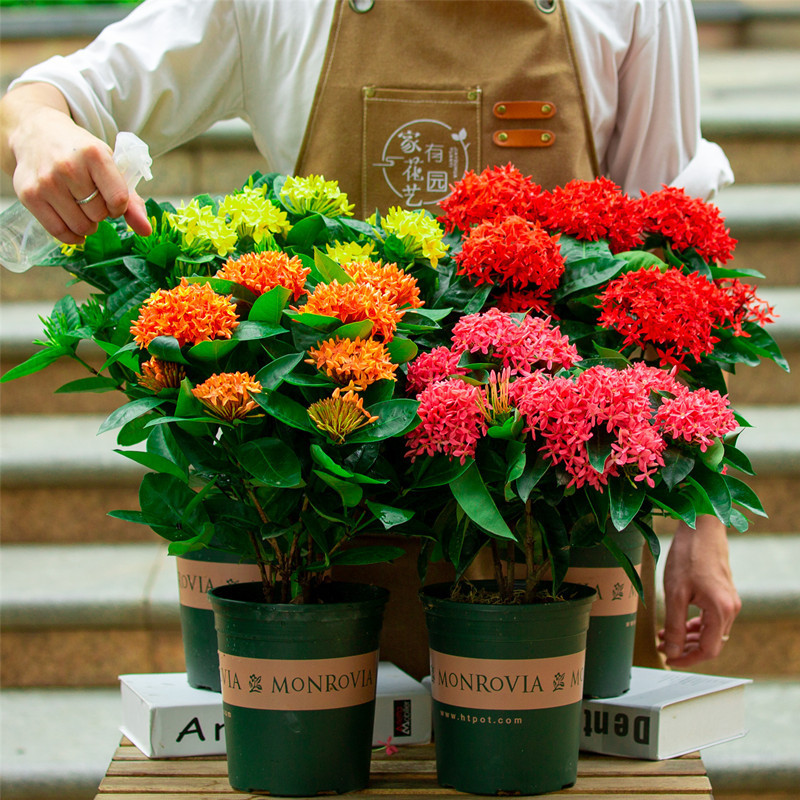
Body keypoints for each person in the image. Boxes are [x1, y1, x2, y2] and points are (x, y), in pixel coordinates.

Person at [0, 0, 740, 673]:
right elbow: (63, 92)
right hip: (333, 510)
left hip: (559, 508)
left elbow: (671, 267)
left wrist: (702, 517)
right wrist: (40, 127)